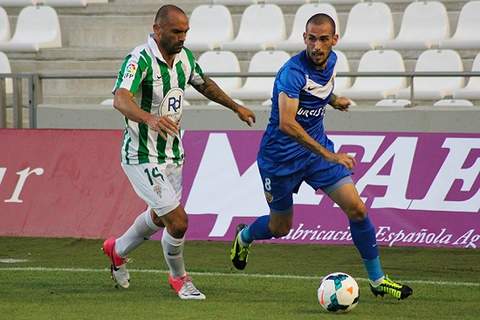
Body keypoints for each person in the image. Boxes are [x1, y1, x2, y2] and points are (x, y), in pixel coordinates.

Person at [230, 13, 413, 300]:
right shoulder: (291, 72)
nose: (316, 46)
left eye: (323, 39)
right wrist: (330, 154)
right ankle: (245, 236)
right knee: (281, 227)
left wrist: (333, 99)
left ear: (334, 40)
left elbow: (318, 89)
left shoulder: (333, 62)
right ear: (304, 38)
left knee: (358, 210)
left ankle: (378, 280)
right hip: (280, 160)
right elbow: (287, 124)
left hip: (315, 156)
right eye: (311, 39)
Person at [103, 4, 255, 300]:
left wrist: (235, 106)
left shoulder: (184, 58)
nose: (182, 37)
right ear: (157, 29)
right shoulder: (140, 59)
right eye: (176, 31)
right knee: (178, 220)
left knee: (161, 219)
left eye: (185, 31)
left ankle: (116, 250)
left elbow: (204, 84)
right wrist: (149, 118)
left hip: (172, 154)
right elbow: (120, 99)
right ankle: (180, 279)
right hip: (140, 155)